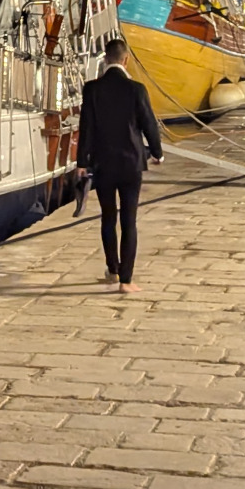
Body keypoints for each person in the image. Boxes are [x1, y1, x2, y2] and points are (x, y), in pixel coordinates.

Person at [77, 37, 163, 296]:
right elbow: (149, 124)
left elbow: (86, 127)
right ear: (126, 60)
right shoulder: (137, 89)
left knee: (107, 217)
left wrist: (82, 162)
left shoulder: (92, 89)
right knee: (129, 220)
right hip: (131, 164)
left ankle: (112, 269)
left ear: (106, 59)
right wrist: (157, 153)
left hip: (103, 162)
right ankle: (126, 280)